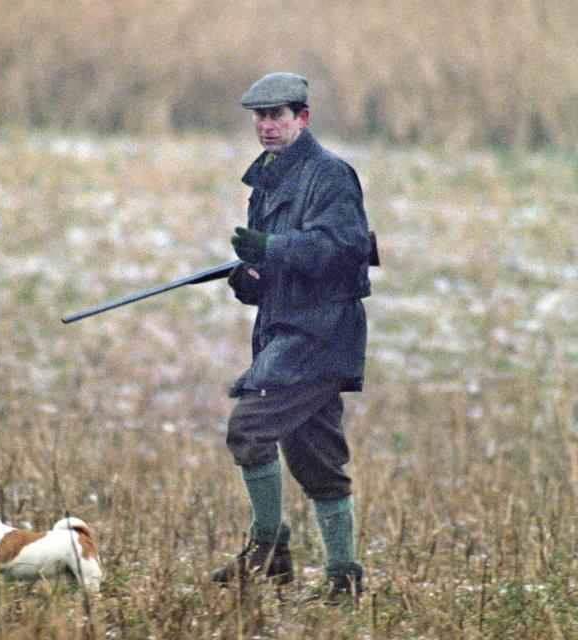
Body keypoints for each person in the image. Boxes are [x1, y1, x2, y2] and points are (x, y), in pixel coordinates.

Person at [211, 72, 372, 599]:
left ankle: (268, 549)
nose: (266, 126)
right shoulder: (267, 177)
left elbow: (344, 252)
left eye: (277, 115)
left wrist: (272, 250)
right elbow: (282, 266)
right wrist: (251, 278)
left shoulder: (330, 175)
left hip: (318, 338)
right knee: (317, 462)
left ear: (302, 118)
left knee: (248, 430)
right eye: (259, 117)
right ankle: (344, 579)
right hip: (286, 330)